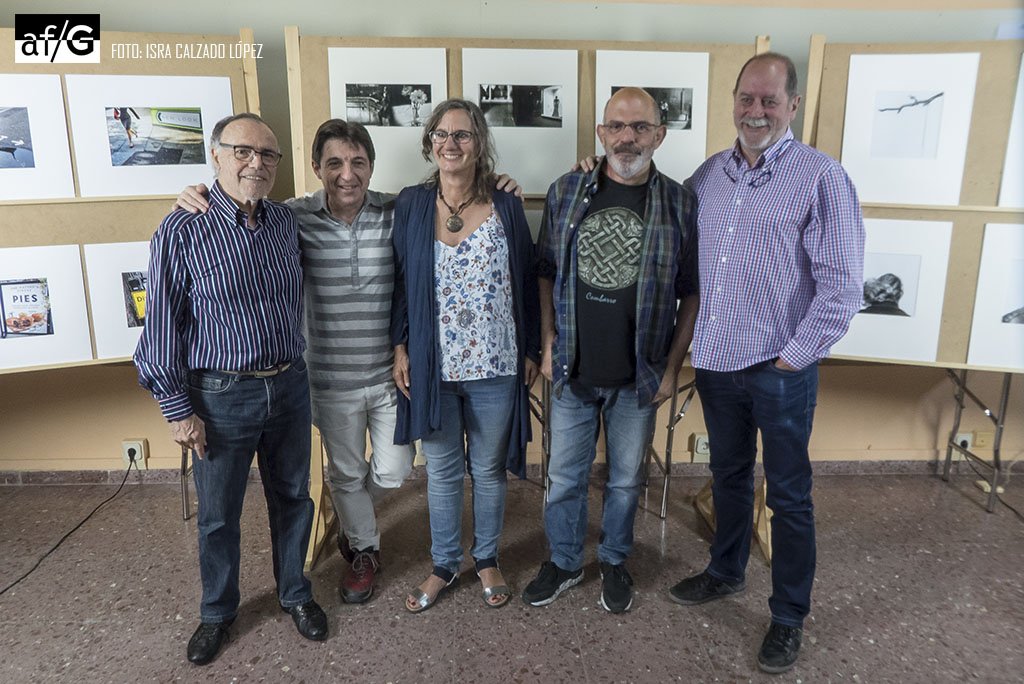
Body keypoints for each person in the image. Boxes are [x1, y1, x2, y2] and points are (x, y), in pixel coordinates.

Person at [175, 120, 522, 607]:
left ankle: (351, 518)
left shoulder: (400, 209)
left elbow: (452, 205)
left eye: (358, 163)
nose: (347, 174)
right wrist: (196, 194)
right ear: (317, 167)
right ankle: (365, 548)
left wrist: (501, 183)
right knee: (345, 471)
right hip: (327, 381)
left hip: (388, 376)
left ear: (371, 167)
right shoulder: (289, 217)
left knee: (396, 469)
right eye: (334, 163)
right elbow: (241, 201)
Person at [668, 53, 864, 674]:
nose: (756, 111)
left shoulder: (821, 178)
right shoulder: (709, 176)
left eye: (770, 101)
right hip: (720, 363)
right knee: (727, 476)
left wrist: (792, 358)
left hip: (780, 368)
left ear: (793, 106)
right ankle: (725, 571)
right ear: (734, 100)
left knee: (789, 497)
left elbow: (842, 286)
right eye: (747, 99)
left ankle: (787, 617)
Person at [134, 113, 328, 666]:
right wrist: (177, 409)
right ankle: (217, 612)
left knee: (293, 498)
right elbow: (163, 327)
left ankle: (295, 594)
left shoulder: (284, 223)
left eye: (268, 155)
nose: (256, 164)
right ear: (215, 156)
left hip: (289, 386)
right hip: (220, 395)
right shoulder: (181, 228)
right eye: (243, 151)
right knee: (219, 514)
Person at [524, 87, 699, 614]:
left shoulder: (680, 202)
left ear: (659, 134)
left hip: (640, 373)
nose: (628, 137)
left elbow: (692, 290)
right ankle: (564, 561)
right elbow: (546, 272)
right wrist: (548, 341)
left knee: (625, 481)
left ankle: (616, 560)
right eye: (617, 127)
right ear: (601, 133)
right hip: (573, 367)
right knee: (562, 480)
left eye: (640, 127)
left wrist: (672, 368)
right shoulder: (566, 189)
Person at [391, 98, 539, 613]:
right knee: (443, 469)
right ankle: (444, 563)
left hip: (497, 363)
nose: (450, 143)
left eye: (463, 134)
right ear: (429, 141)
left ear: (480, 144)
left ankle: (488, 557)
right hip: (434, 366)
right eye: (441, 134)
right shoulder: (411, 203)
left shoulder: (507, 203)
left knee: (490, 467)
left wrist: (533, 348)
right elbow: (400, 284)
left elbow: (526, 280)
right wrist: (400, 346)